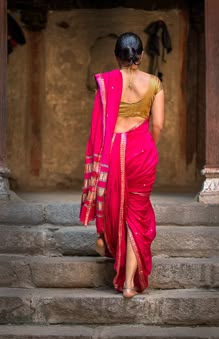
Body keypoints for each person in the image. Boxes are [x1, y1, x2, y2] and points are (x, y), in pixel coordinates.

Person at [80, 32, 164, 299]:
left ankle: (104, 238)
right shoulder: (154, 83)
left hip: (113, 150)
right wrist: (150, 145)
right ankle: (129, 283)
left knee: (114, 203)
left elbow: (98, 127)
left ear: (117, 56)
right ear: (140, 56)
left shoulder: (106, 82)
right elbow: (159, 124)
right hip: (142, 150)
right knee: (136, 214)